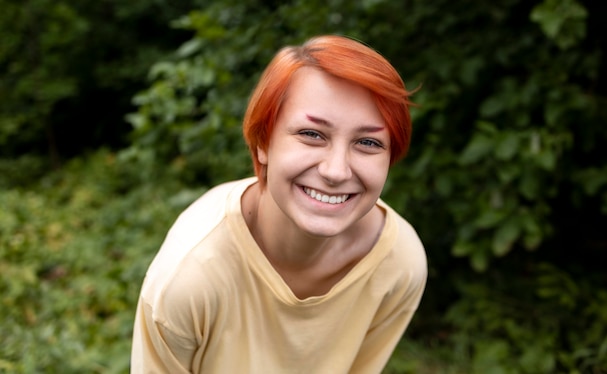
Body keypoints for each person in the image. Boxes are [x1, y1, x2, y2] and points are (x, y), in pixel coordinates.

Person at [131, 34, 427, 373]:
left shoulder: (399, 262)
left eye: (368, 142)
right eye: (312, 134)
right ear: (263, 143)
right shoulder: (190, 277)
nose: (335, 171)